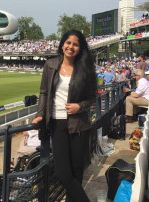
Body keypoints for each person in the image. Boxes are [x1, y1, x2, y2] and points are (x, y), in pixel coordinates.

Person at [33, 29, 97, 202]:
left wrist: (79, 106)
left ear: (80, 48)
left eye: (75, 44)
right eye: (68, 43)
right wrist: (40, 115)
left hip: (79, 125)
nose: (71, 47)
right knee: (63, 173)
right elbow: (44, 92)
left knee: (77, 172)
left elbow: (92, 97)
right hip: (56, 123)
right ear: (62, 45)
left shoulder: (86, 68)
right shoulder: (51, 64)